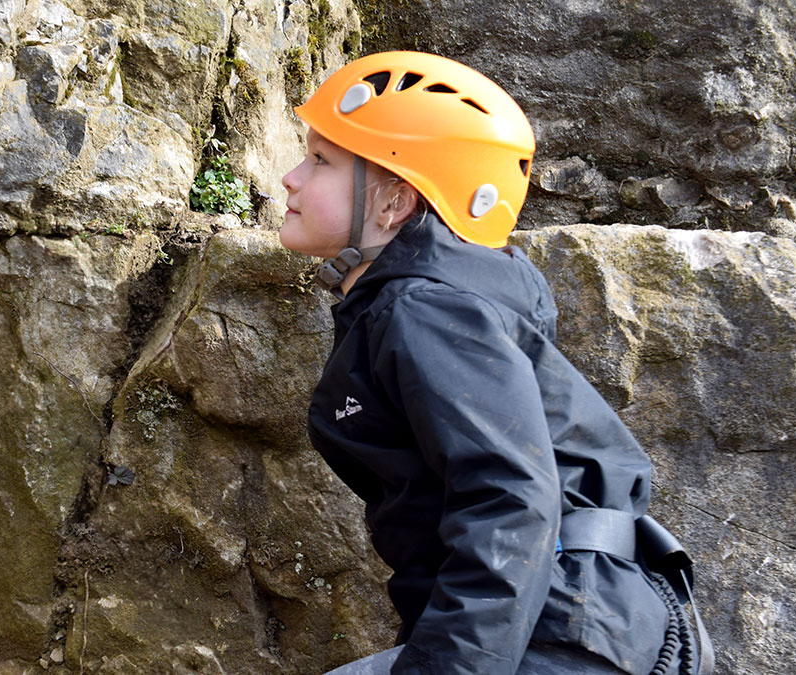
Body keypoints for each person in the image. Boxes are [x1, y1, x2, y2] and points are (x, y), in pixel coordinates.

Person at [278, 52, 711, 675]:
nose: (291, 177)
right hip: (577, 625)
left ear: (394, 201)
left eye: (321, 160)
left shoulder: (426, 309)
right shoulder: (416, 303)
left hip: (569, 631)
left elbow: (510, 501)